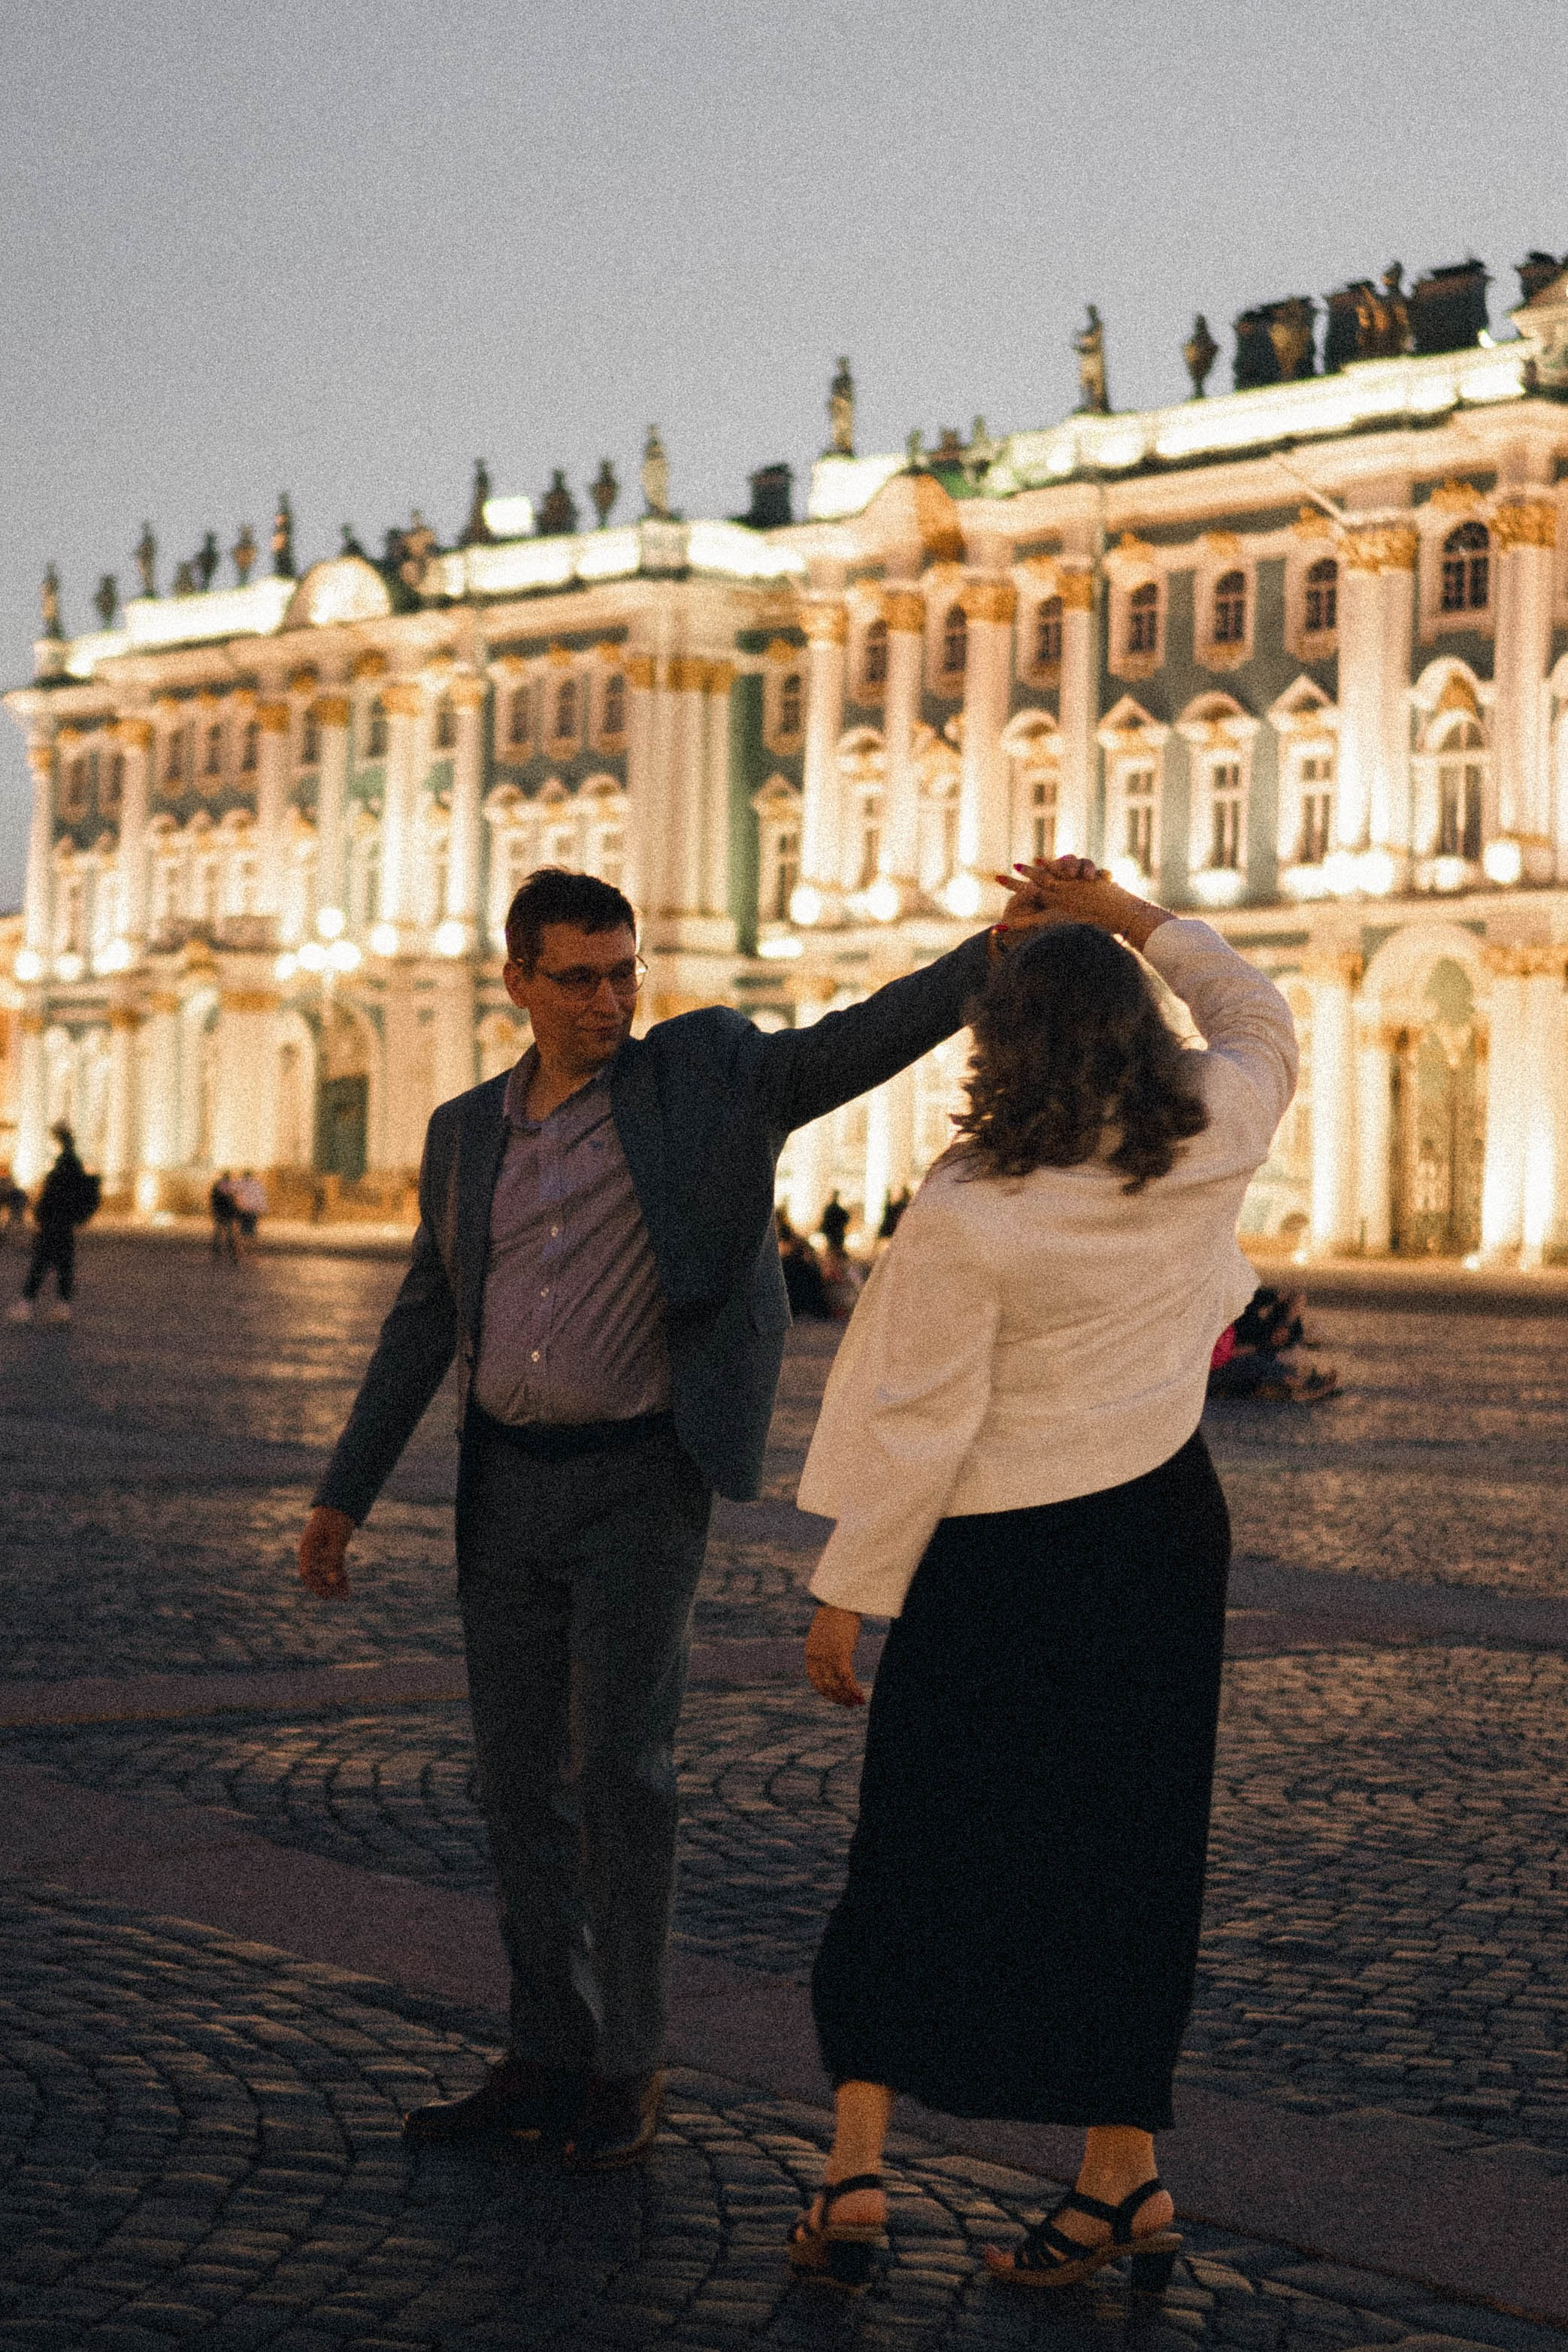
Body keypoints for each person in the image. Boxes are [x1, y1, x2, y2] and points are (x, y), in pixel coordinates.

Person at [296, 862, 1056, 2172]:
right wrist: (342, 1491)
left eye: (623, 970)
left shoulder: (701, 1077)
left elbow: (850, 1042)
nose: (608, 997)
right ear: (518, 982)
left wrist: (993, 956)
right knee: (515, 1780)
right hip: (508, 1480)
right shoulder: (465, 1130)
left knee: (624, 1773)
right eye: (579, 976)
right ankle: (543, 2045)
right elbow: (426, 1315)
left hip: (643, 1478)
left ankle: (626, 2061)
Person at [787, 861, 1297, 2295]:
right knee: (1133, 1855)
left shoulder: (972, 1201)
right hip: (1158, 1534)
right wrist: (1130, 914)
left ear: (999, 1048)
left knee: (921, 1837)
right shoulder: (1207, 1124)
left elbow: (917, 1410)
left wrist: (852, 1585)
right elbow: (1256, 1008)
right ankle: (1117, 2176)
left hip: (1001, 1551)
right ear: (1139, 1028)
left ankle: (858, 2164)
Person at [7, 1124, 101, 1325]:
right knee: (64, 1266)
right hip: (64, 1225)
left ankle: (25, 1306)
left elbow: (53, 1196)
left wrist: (41, 1214)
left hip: (54, 1224)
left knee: (40, 1265)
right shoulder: (73, 1163)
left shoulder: (63, 1165)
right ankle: (62, 1307)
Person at [1207, 1283, 1339, 1402]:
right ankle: (1301, 1386)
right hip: (1224, 1363)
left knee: (1259, 1366)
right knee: (1253, 1365)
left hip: (1261, 1351)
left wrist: (1286, 1325)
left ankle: (1291, 1387)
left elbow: (1297, 1294)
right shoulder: (1227, 1315)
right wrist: (1260, 1346)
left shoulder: (1257, 1300)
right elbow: (1222, 1355)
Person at [232, 1170, 267, 1252]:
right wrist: (262, 1209)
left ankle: (243, 1248)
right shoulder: (256, 1185)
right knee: (251, 1230)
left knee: (242, 1230)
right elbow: (261, 1198)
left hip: (242, 1210)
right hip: (252, 1211)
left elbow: (233, 1195)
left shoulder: (239, 1183)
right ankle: (251, 1248)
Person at [210, 1173, 239, 1263]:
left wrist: (214, 1211)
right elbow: (235, 1202)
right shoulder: (232, 1188)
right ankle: (232, 1253)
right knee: (230, 1233)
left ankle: (217, 1252)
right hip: (229, 1214)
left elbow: (213, 1200)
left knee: (218, 1232)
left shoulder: (217, 1186)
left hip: (219, 1212)